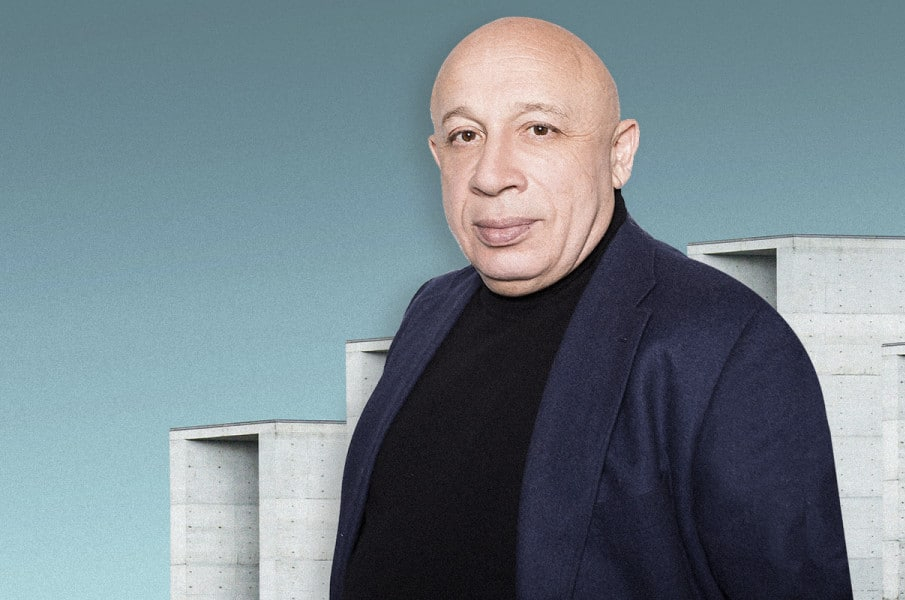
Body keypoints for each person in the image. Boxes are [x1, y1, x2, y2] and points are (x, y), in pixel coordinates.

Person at [331, 16, 852, 599]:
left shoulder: (727, 345)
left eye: (539, 129)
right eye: (465, 136)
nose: (491, 176)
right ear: (436, 156)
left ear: (618, 153)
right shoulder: (429, 311)